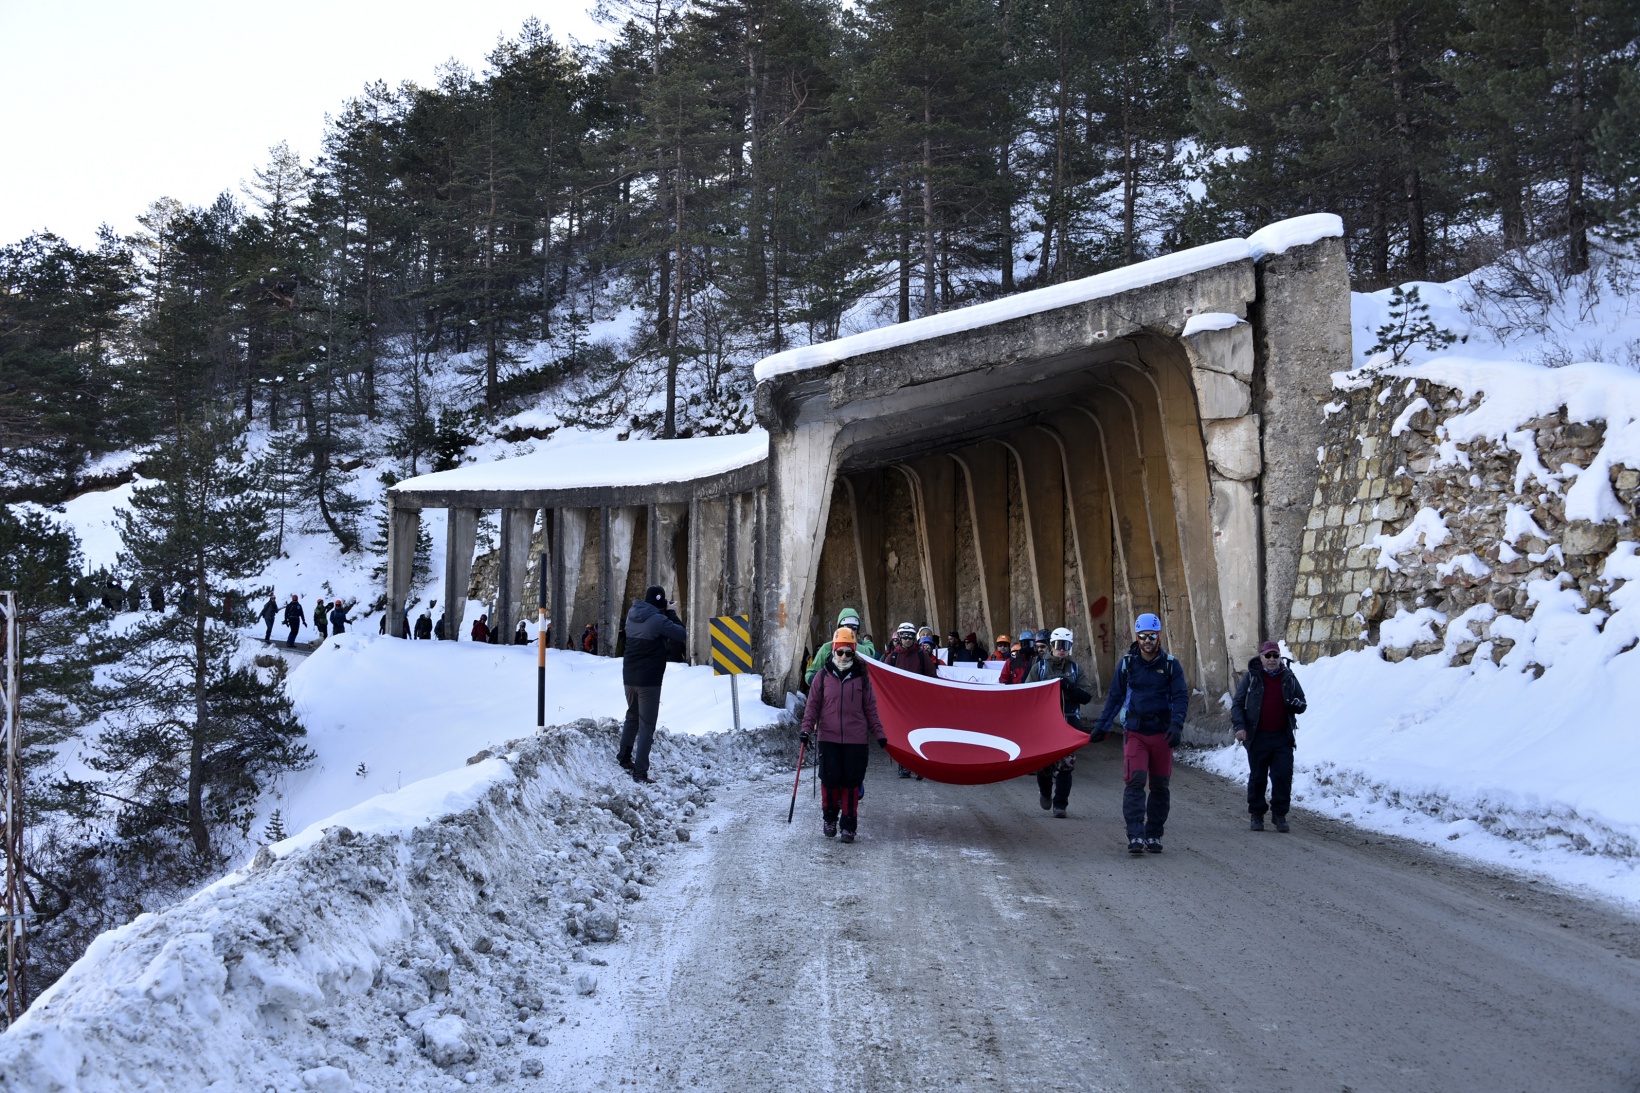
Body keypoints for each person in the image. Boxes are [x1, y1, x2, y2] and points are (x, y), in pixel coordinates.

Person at [1093, 613, 1189, 854]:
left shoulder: (1170, 665)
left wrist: (1177, 725)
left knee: (1160, 786)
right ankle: (1135, 835)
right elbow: (1115, 696)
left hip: (1162, 735)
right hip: (1135, 733)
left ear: (1159, 637)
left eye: (1152, 636)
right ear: (1137, 637)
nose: (1148, 641)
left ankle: (1154, 834)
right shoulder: (1127, 664)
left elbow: (1180, 697)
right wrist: (1101, 726)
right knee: (1135, 783)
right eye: (1143, 636)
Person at [799, 627, 887, 843]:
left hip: (855, 740)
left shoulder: (862, 678)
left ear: (854, 652)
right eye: (840, 652)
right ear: (834, 652)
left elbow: (871, 709)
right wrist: (806, 729)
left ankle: (848, 826)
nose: (844, 657)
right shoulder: (822, 676)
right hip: (828, 738)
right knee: (830, 782)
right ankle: (829, 819)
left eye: (849, 653)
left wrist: (880, 734)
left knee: (851, 784)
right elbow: (812, 706)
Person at [1232, 641, 1308, 833]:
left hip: (1282, 737)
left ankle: (1279, 815)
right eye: (1268, 656)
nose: (1272, 660)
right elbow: (1238, 704)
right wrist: (1240, 727)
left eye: (1275, 656)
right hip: (1258, 737)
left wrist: (1297, 705)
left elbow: (1302, 702)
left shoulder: (1288, 677)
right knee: (1258, 777)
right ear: (1261, 657)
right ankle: (1256, 815)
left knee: (1282, 776)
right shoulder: (1251, 678)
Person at [619, 586, 687, 783]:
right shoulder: (659, 620)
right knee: (647, 726)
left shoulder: (632, 614)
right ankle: (640, 773)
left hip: (629, 677)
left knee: (631, 716)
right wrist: (672, 613)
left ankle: (624, 758)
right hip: (649, 681)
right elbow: (680, 634)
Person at [1028, 627, 1095, 817]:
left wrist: (1069, 686)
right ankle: (1045, 792)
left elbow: (1086, 695)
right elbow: (1027, 692)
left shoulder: (1075, 669)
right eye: (1058, 646)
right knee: (1044, 765)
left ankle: (1060, 804)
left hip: (1068, 724)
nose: (1061, 650)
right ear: (1051, 646)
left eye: (1065, 646)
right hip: (1045, 725)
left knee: (1067, 764)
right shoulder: (1040, 668)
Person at [882, 621, 939, 779]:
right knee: (902, 736)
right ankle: (904, 765)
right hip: (900, 705)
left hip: (918, 704)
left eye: (910, 637)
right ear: (899, 638)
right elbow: (885, 681)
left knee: (919, 735)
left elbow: (932, 677)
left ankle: (919, 765)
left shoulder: (921, 656)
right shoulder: (892, 658)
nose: (907, 640)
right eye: (904, 637)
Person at [803, 608, 877, 687]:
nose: (850, 630)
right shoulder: (827, 647)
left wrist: (849, 643)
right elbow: (810, 673)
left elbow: (870, 654)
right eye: (846, 627)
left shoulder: (865, 645)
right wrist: (820, 683)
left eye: (853, 628)